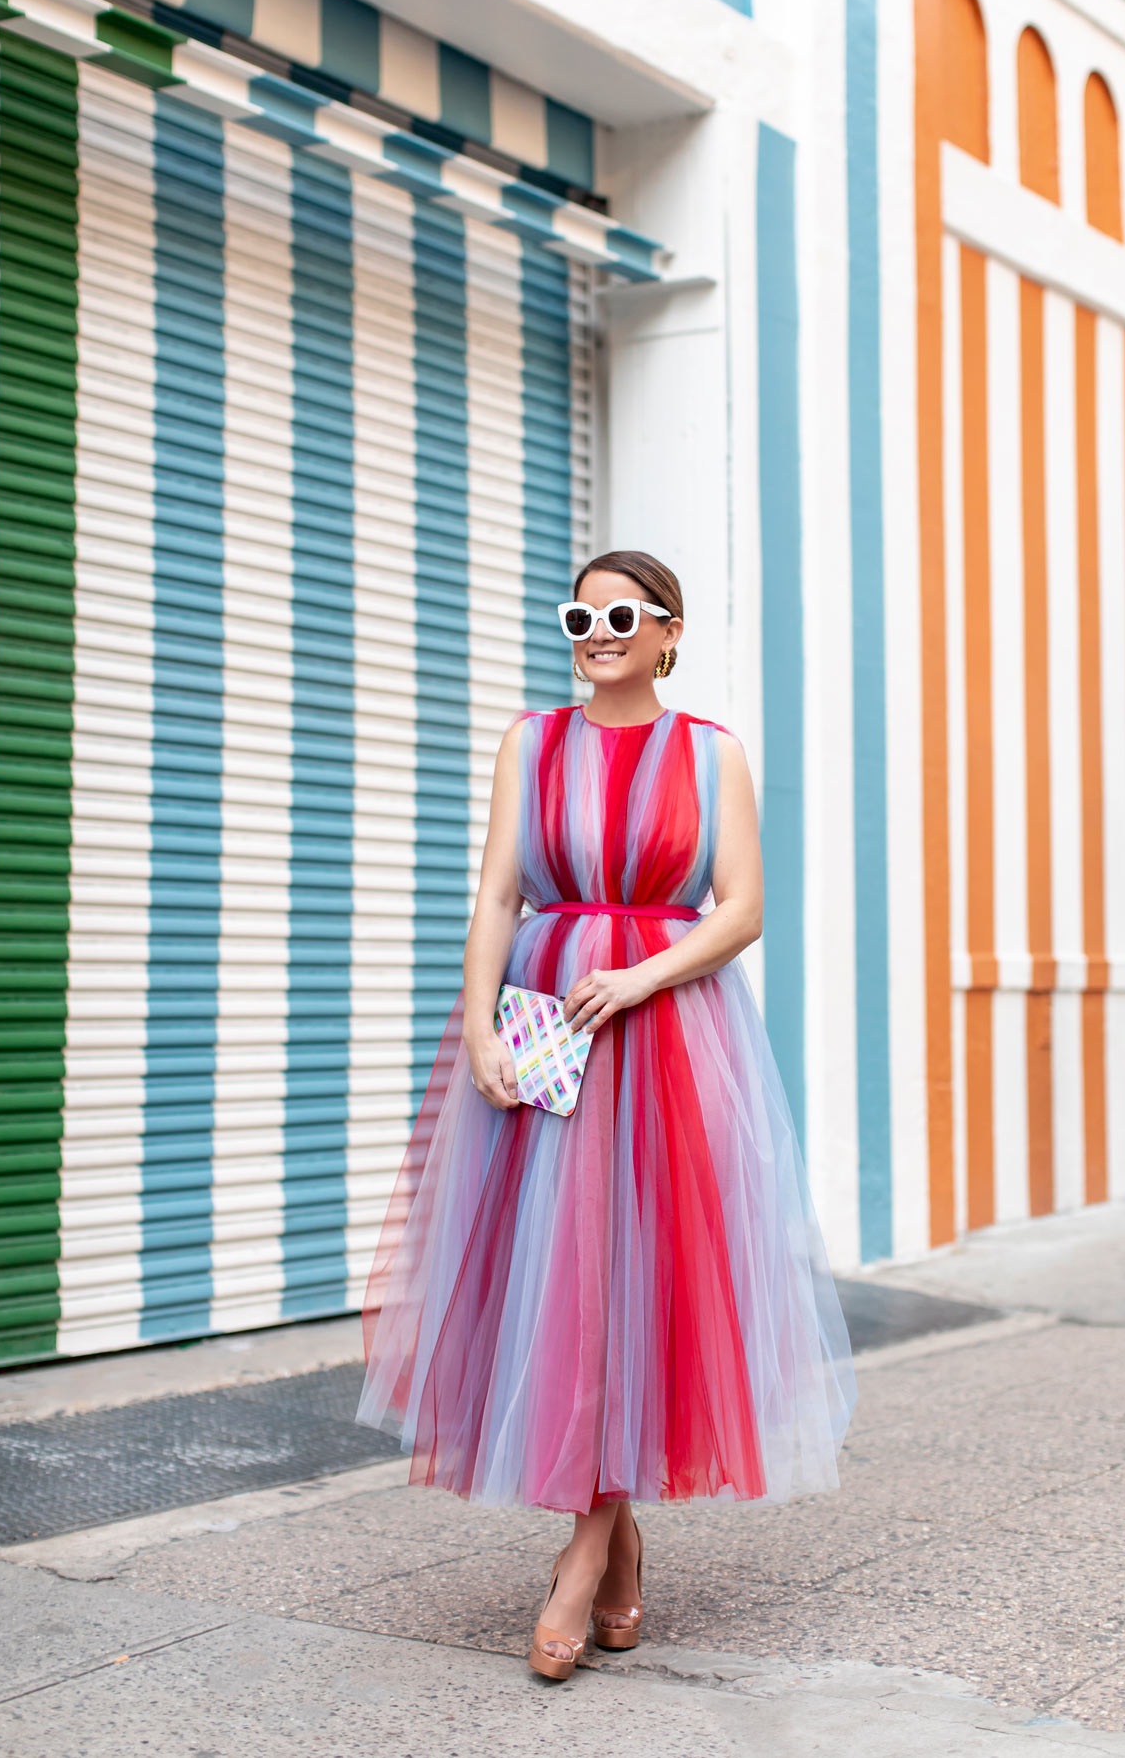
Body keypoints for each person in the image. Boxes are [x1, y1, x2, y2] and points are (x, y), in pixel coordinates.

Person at [357, 549, 855, 1681]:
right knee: (563, 1286)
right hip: (543, 1031)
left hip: (664, 1033)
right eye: (579, 614)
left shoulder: (709, 753)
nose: (595, 630)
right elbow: (495, 892)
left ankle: (580, 1562)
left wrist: (639, 977)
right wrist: (478, 1027)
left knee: (632, 1287)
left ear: (668, 630)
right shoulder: (529, 741)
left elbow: (742, 910)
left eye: (619, 613)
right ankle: (617, 1546)